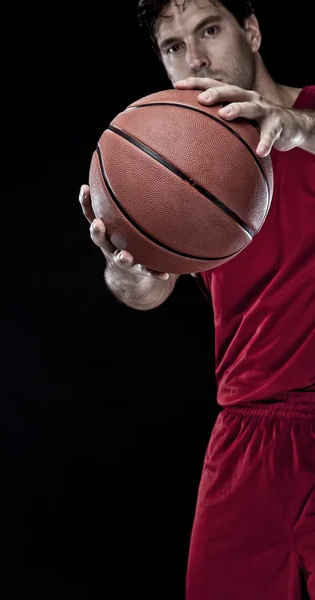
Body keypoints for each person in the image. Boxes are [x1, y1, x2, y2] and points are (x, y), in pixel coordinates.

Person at [79, 0, 315, 598]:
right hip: (249, 432)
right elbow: (150, 286)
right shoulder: (182, 158)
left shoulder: (310, 119)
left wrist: (301, 127)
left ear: (253, 30)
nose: (197, 59)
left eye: (209, 30)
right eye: (174, 46)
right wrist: (128, 277)